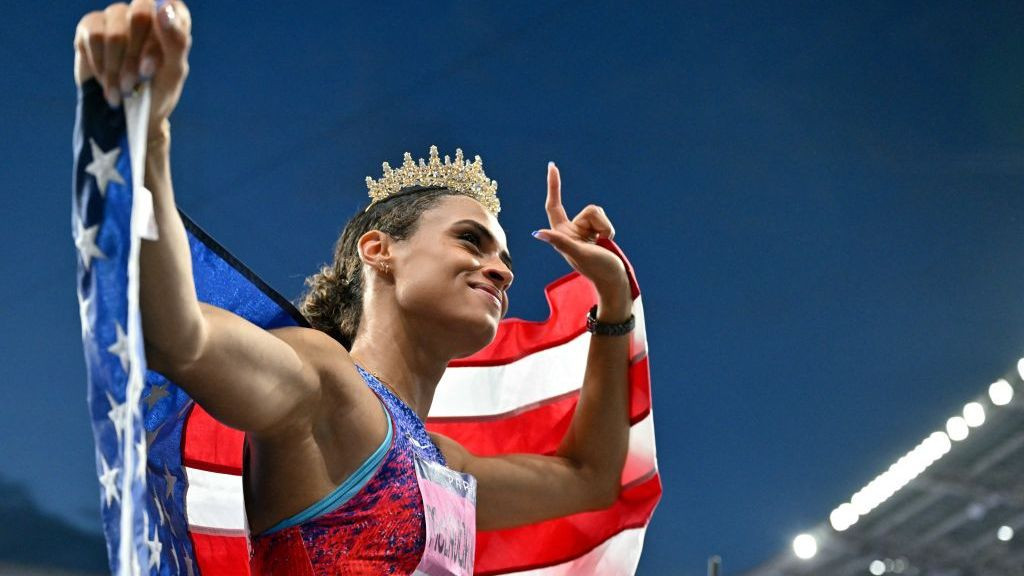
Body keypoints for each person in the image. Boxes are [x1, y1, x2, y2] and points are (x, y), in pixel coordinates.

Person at [73, 1, 635, 574]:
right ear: (380, 251)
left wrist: (613, 303)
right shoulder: (323, 383)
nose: (502, 269)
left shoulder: (442, 465)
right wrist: (147, 139)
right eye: (471, 241)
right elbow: (178, 339)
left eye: (505, 257)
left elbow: (589, 479)